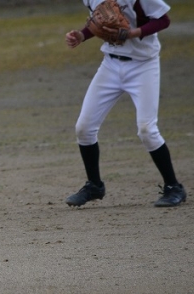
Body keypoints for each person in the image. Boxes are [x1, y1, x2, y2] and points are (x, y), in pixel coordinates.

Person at [64, 0, 186, 207]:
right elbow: (101, 23)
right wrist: (82, 35)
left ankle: (174, 187)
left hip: (143, 65)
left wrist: (132, 33)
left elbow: (163, 20)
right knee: (84, 128)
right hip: (110, 65)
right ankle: (94, 185)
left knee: (147, 130)